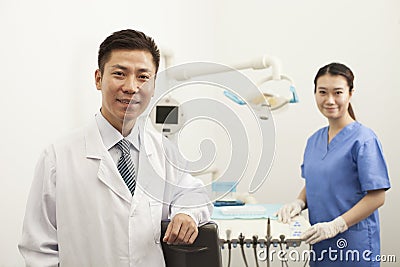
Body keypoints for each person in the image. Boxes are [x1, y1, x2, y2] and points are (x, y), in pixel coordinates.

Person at [18, 29, 212, 267]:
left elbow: (193, 192)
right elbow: (38, 250)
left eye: (143, 77)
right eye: (120, 74)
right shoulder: (58, 157)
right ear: (99, 79)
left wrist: (186, 213)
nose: (131, 87)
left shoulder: (163, 150)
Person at [276, 62, 391, 266]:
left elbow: (377, 197)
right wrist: (299, 203)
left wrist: (337, 225)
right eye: (322, 92)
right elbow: (316, 181)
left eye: (338, 92)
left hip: (355, 248)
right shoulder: (314, 140)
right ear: (315, 94)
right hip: (321, 247)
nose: (330, 100)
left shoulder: (364, 139)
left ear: (350, 93)